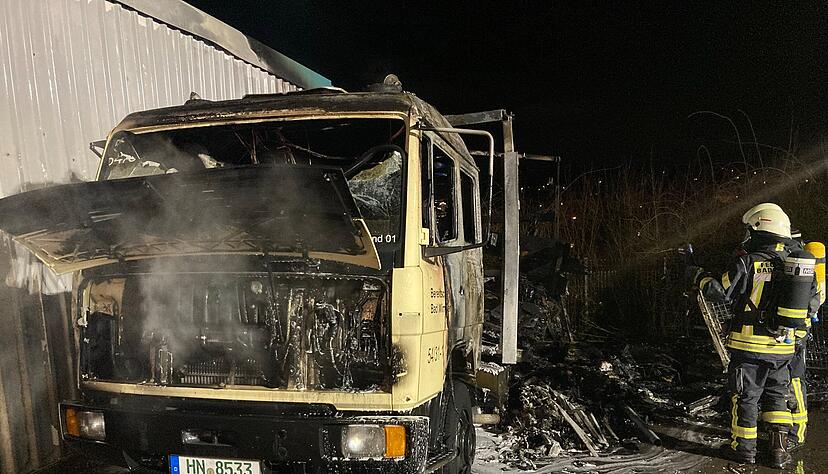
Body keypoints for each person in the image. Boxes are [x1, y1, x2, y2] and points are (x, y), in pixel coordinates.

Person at [691, 203, 815, 468]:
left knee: (746, 397)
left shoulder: (750, 260)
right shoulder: (795, 262)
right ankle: (779, 452)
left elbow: (718, 291)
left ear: (760, 227)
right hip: (783, 347)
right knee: (776, 398)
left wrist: (698, 276)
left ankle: (743, 450)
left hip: (748, 346)